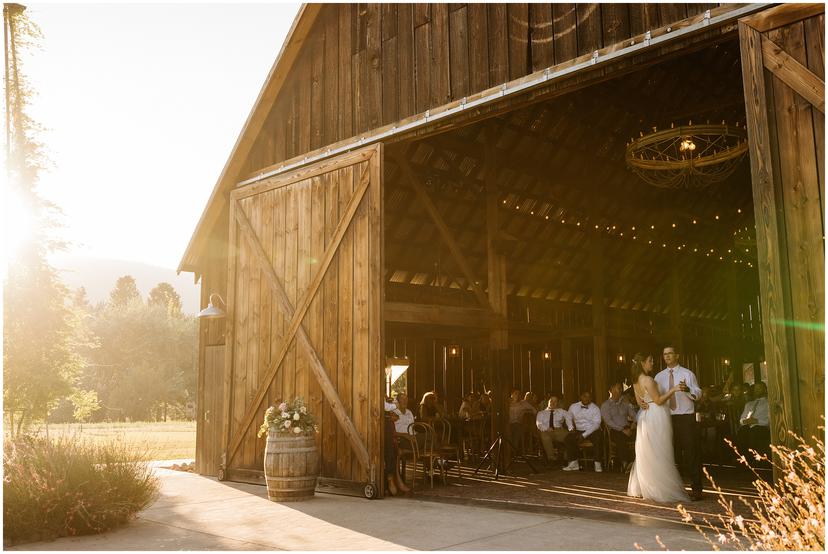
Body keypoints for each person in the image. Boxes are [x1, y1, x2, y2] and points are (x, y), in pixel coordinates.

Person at [627, 353, 689, 503]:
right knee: (660, 450)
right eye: (650, 360)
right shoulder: (648, 380)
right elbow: (659, 400)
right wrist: (674, 389)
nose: (652, 363)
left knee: (648, 451)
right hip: (656, 415)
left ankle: (646, 486)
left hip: (645, 415)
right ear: (642, 363)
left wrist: (643, 403)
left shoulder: (635, 381)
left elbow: (639, 402)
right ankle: (660, 487)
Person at [652, 346, 704, 500]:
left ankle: (696, 489)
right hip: (667, 418)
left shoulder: (687, 374)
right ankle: (676, 489)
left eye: (670, 354)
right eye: (664, 354)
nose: (667, 356)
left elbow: (699, 394)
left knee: (690, 453)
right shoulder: (659, 377)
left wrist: (687, 389)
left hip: (685, 418)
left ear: (677, 355)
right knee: (672, 454)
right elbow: (656, 397)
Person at [601, 382, 637, 472]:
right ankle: (626, 464)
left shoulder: (625, 403)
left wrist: (634, 423)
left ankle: (640, 462)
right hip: (615, 430)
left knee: (642, 434)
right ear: (612, 390)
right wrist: (622, 430)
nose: (620, 390)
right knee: (620, 437)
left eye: (621, 388)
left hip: (628, 428)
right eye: (618, 388)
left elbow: (634, 415)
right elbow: (608, 422)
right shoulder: (605, 405)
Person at [563, 391, 603, 472]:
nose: (586, 398)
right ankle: (574, 463)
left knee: (598, 438)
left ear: (591, 398)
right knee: (568, 438)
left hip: (592, 430)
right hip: (578, 430)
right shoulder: (573, 406)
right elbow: (568, 417)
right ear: (581, 397)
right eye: (585, 396)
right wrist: (571, 427)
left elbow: (596, 424)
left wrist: (584, 435)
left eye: (589, 397)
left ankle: (597, 463)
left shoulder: (595, 408)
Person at [536, 394, 574, 466]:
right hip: (546, 431)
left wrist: (570, 427)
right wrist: (547, 429)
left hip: (558, 430)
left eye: (555, 401)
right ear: (548, 402)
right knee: (544, 435)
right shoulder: (541, 413)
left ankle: (566, 458)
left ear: (557, 403)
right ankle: (551, 459)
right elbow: (539, 424)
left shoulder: (561, 411)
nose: (553, 403)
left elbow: (569, 416)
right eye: (551, 401)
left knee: (570, 436)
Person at [383, 399, 411, 495]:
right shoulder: (387, 422)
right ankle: (391, 479)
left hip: (392, 437)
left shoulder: (391, 423)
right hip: (385, 437)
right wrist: (395, 405)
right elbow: (385, 406)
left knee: (395, 451)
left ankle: (396, 480)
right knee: (392, 451)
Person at [736, 381, 770, 458]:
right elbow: (741, 419)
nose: (757, 390)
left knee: (754, 431)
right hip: (748, 426)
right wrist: (745, 421)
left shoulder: (768, 403)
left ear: (764, 390)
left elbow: (769, 420)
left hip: (761, 426)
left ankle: (754, 458)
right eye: (755, 389)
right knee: (742, 431)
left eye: (759, 388)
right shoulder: (749, 404)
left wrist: (757, 421)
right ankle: (743, 458)